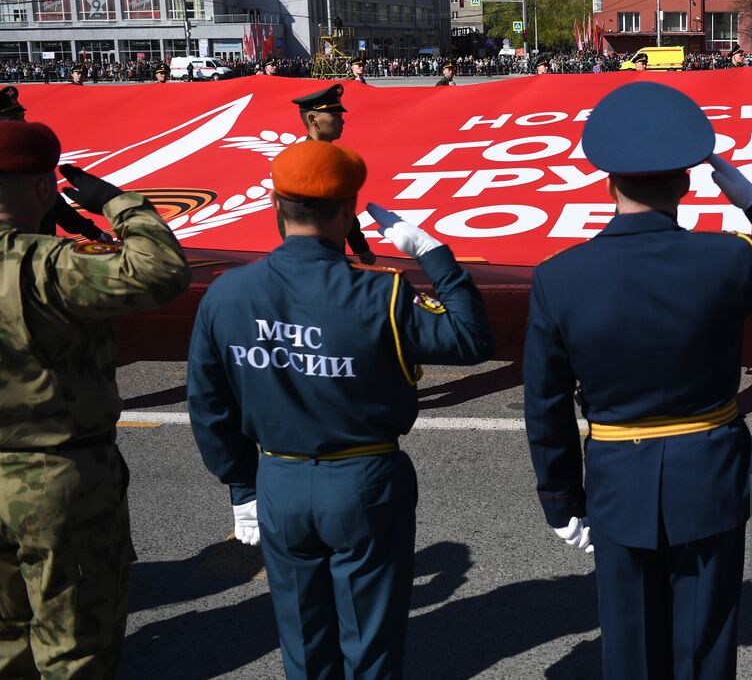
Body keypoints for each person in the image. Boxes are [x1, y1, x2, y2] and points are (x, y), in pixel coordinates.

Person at [522, 81, 752, 679]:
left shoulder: (558, 277)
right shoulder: (729, 258)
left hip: (617, 486)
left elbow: (545, 404)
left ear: (607, 181)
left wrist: (561, 498)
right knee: (705, 650)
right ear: (689, 182)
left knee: (631, 653)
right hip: (712, 477)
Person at [187, 140, 494, 680]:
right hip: (364, 478)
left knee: (303, 639)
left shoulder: (226, 293)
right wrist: (430, 251)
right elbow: (470, 339)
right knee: (369, 642)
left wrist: (241, 486)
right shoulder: (382, 294)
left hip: (277, 476)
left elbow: (209, 405)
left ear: (275, 206)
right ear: (349, 210)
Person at [0, 121, 190, 678]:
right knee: (75, 648)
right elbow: (160, 271)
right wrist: (118, 203)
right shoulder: (49, 265)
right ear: (43, 189)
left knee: (5, 641)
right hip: (56, 478)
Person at [0, 86, 111, 242]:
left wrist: (94, 233)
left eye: (22, 115)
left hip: (39, 255)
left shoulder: (25, 161)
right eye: (16, 118)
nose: (24, 122)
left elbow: (55, 206)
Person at [287, 85, 375, 265]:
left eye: (341, 116)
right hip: (315, 260)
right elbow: (289, 217)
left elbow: (343, 210)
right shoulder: (302, 161)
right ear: (313, 119)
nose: (342, 121)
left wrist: (360, 247)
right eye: (334, 116)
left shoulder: (332, 158)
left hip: (332, 257)